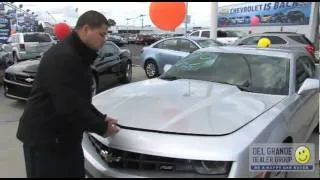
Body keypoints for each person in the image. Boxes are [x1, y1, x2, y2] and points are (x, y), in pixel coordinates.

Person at [16, 10, 120, 178]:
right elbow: (69, 106)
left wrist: (101, 118)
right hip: (46, 141)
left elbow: (79, 100)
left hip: (63, 139)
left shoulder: (78, 55)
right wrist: (102, 128)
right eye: (102, 34)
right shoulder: (64, 57)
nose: (104, 40)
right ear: (86, 29)